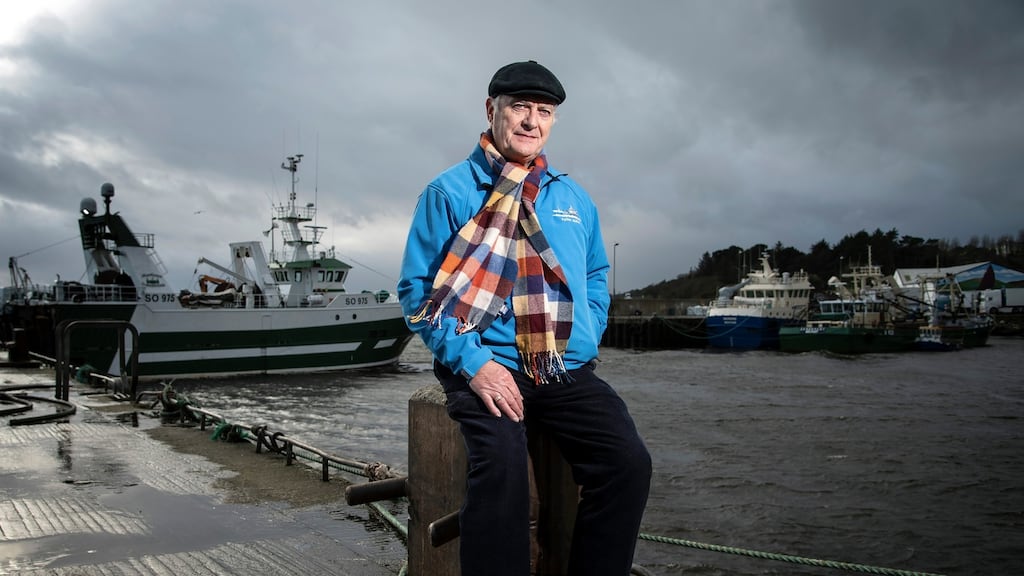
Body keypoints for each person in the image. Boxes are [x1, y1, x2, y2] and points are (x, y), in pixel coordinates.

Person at [398, 60, 652, 576]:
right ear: (492, 110)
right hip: (486, 364)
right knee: (502, 473)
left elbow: (597, 273)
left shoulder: (572, 197)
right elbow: (417, 292)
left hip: (562, 367)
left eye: (545, 111)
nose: (531, 121)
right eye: (520, 107)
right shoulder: (448, 192)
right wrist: (473, 364)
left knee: (628, 464)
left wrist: (588, 329)